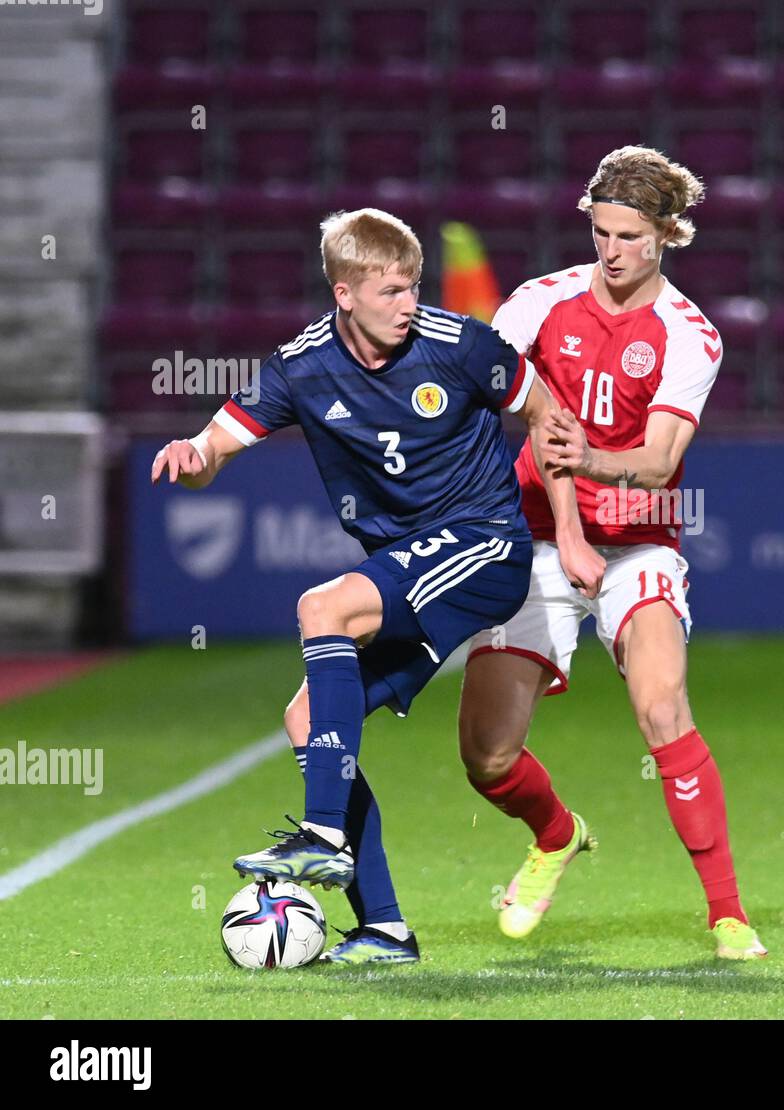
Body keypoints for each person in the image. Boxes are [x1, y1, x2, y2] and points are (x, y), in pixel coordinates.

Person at [151, 207, 603, 964]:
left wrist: (573, 531)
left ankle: (322, 835)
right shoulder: (302, 365)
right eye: (390, 290)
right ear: (344, 294)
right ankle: (385, 927)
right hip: (411, 567)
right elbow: (216, 444)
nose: (407, 304)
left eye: (412, 286)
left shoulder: (462, 346)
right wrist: (194, 456)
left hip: (484, 548)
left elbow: (547, 414)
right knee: (307, 721)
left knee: (322, 607)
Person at [455, 145, 765, 960]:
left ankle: (727, 914)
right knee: (487, 759)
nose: (611, 251)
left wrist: (582, 458)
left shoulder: (688, 334)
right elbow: (480, 387)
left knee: (663, 707)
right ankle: (556, 835)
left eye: (630, 236)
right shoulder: (538, 302)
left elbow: (659, 461)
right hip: (532, 540)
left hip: (635, 544)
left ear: (667, 233)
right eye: (601, 233)